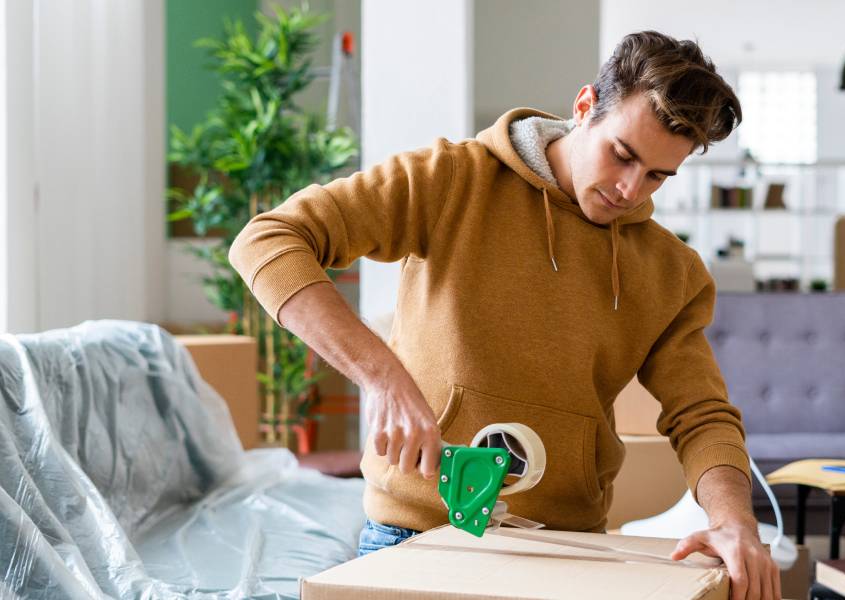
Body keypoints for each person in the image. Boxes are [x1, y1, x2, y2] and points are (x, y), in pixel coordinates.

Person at [229, 30, 780, 600]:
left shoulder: (673, 273)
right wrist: (383, 377)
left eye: (658, 176)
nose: (629, 189)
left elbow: (702, 414)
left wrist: (734, 520)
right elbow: (267, 240)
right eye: (623, 154)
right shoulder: (451, 180)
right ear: (585, 106)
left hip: (566, 551)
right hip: (412, 535)